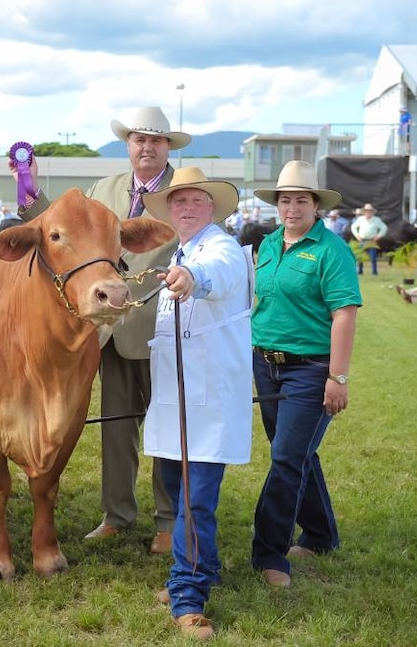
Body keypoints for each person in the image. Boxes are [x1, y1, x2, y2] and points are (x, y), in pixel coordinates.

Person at [16, 106, 191, 554]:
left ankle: (169, 521)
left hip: (163, 328)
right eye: (139, 139)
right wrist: (29, 188)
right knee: (116, 427)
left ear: (168, 146)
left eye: (156, 140)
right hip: (106, 331)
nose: (147, 147)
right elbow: (56, 226)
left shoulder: (186, 191)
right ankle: (117, 514)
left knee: (168, 428)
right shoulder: (103, 190)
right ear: (128, 145)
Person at [141, 168, 253, 641]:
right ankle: (203, 569)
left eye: (196, 201)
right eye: (179, 201)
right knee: (180, 488)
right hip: (178, 401)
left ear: (213, 209)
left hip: (205, 404)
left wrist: (193, 276)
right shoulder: (179, 252)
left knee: (194, 501)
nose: (187, 208)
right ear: (170, 210)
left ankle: (188, 598)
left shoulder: (219, 249)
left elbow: (217, 278)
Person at [250, 160, 361, 587]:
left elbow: (344, 315)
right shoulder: (269, 244)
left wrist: (338, 376)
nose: (291, 207)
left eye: (300, 200)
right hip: (266, 365)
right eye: (285, 199)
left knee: (285, 458)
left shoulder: (332, 251)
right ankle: (320, 534)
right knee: (295, 453)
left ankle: (269, 553)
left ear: (315, 205)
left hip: (311, 371)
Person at [350, 203, 387, 275]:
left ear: (372, 212)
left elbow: (384, 227)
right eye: (367, 211)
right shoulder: (360, 219)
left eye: (370, 211)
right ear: (364, 212)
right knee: (360, 257)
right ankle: (359, 271)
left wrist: (378, 236)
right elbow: (353, 227)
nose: (368, 212)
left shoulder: (376, 220)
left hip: (371, 241)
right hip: (362, 240)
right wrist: (357, 236)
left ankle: (374, 272)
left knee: (373, 257)